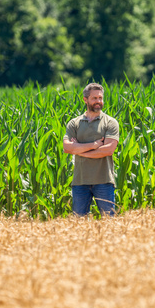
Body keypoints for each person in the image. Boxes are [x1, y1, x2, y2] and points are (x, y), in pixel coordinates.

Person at [63, 83, 120, 216]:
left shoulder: (110, 122)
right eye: (94, 98)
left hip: (104, 181)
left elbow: (108, 150)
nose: (98, 101)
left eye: (100, 98)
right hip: (80, 182)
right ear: (85, 100)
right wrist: (94, 145)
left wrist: (79, 150)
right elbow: (67, 148)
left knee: (109, 223)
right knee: (79, 223)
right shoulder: (74, 123)